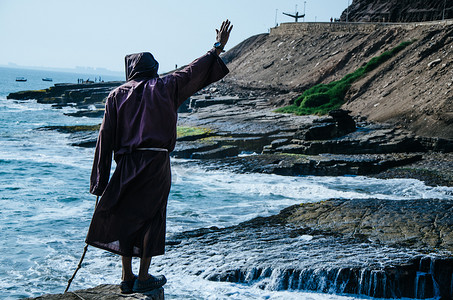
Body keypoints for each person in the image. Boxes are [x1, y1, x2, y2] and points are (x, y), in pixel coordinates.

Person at [86, 20, 233, 294]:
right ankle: (143, 276)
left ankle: (126, 277)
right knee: (152, 217)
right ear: (153, 69)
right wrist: (217, 47)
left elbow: (104, 139)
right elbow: (194, 71)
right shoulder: (166, 86)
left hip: (127, 163)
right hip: (156, 163)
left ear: (130, 70)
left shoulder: (115, 96)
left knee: (124, 215)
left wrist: (100, 182)